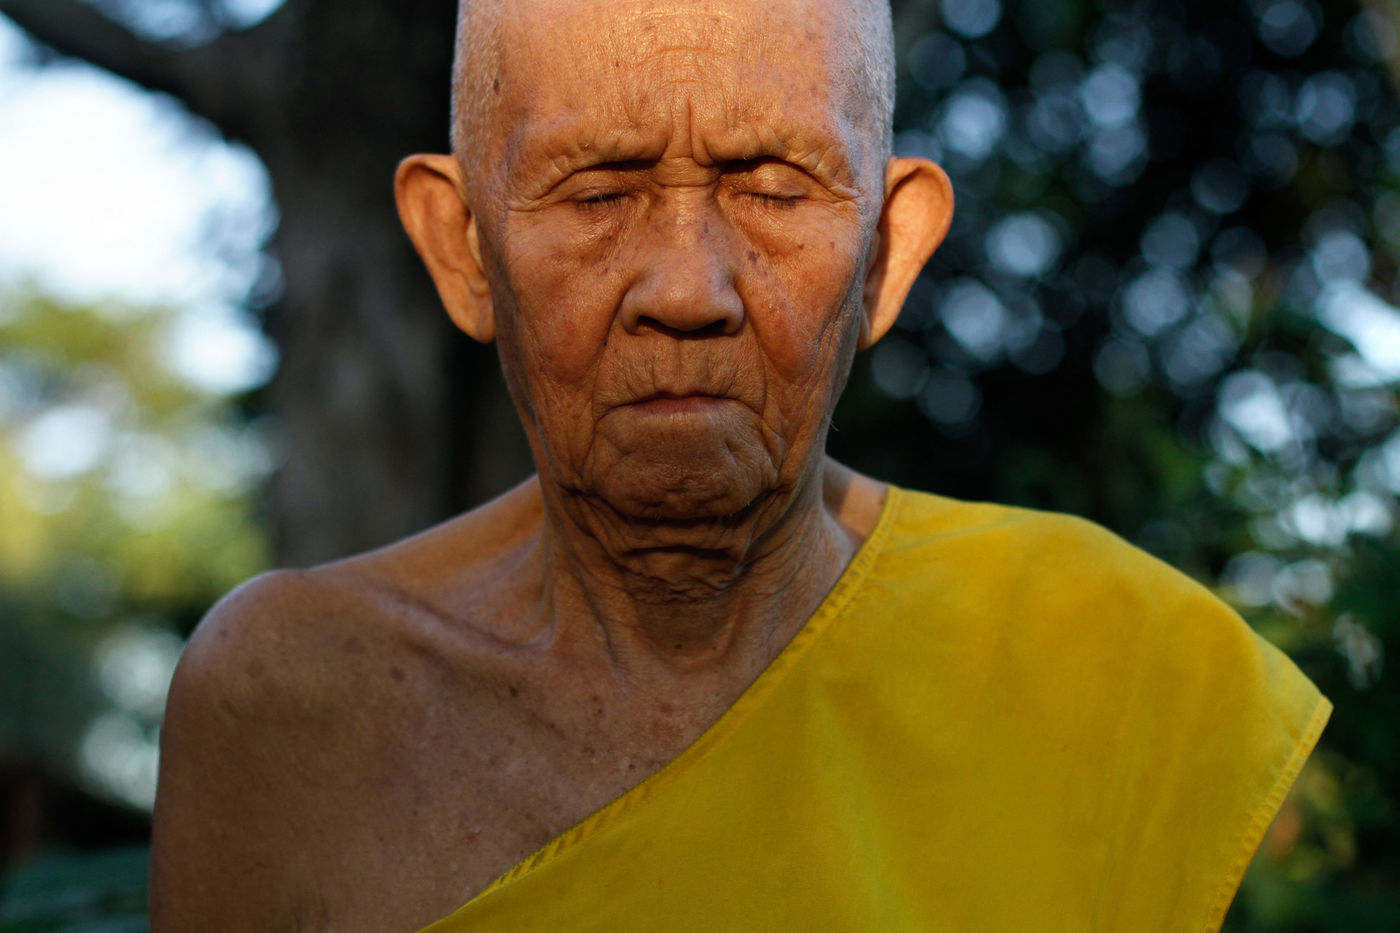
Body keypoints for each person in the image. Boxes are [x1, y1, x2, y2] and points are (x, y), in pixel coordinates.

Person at [148, 0, 1331, 930]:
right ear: (462, 248)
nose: (685, 289)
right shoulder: (292, 707)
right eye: (597, 192)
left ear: (885, 252)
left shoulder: (1118, 670)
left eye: (770, 188)